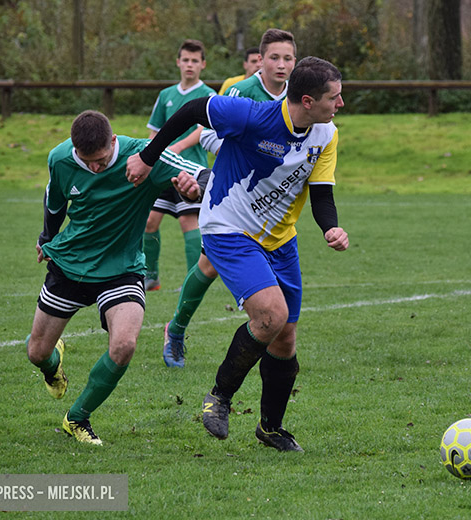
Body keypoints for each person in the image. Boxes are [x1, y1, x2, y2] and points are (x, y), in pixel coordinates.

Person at [126, 56, 348, 452]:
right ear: (309, 100)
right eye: (335, 97)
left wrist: (330, 226)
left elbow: (322, 194)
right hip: (228, 228)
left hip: (280, 238)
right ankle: (219, 397)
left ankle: (270, 428)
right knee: (271, 315)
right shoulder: (252, 115)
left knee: (285, 338)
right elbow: (193, 110)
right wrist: (148, 156)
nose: (341, 104)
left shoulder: (326, 134)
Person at [26, 110, 206, 445]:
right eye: (87, 160)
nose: (95, 167)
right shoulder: (61, 158)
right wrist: (46, 239)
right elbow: (54, 203)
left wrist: (190, 191)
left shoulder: (145, 155)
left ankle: (77, 418)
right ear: (74, 148)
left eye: (101, 159)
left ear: (113, 141)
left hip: (122, 267)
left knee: (124, 345)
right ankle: (53, 365)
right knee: (37, 353)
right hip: (71, 264)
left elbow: (197, 180)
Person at [161, 28, 297, 369]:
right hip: (231, 197)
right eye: (274, 58)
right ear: (259, 61)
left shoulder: (298, 96)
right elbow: (207, 135)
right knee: (208, 266)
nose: (281, 65)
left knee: (259, 271)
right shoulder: (241, 90)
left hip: (272, 203)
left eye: (288, 58)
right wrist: (248, 150)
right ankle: (175, 330)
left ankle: (277, 339)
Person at [143, 39, 216, 292]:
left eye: (195, 61)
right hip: (163, 169)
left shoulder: (209, 95)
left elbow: (205, 130)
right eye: (185, 60)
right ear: (178, 62)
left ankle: (193, 280)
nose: (189, 65)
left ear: (203, 65)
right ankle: (150, 277)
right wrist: (150, 158)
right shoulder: (166, 95)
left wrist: (178, 147)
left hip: (191, 169)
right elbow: (154, 132)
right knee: (149, 221)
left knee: (188, 223)